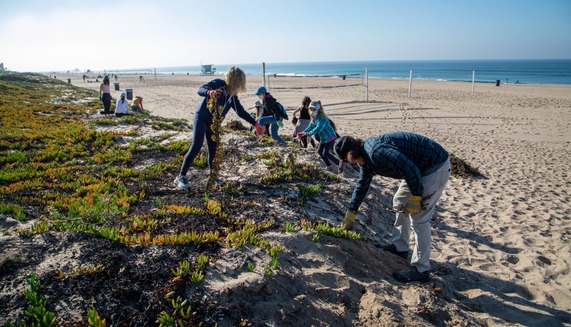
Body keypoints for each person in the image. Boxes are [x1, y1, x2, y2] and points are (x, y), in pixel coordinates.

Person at [333, 132, 451, 283]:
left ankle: (421, 269)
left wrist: (416, 196)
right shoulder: (366, 158)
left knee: (419, 219)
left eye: (346, 161)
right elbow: (362, 184)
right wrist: (351, 212)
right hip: (417, 168)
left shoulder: (377, 152)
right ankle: (400, 247)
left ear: (349, 156)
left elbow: (410, 169)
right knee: (400, 201)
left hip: (434, 167)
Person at [174, 66, 264, 189]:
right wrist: (209, 92)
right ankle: (181, 176)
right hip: (201, 118)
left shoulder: (232, 96)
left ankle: (214, 177)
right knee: (196, 145)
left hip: (214, 124)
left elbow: (241, 112)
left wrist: (255, 123)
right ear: (235, 80)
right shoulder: (218, 84)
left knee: (213, 150)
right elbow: (201, 90)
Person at [298, 101, 339, 172]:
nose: (312, 111)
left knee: (325, 153)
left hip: (330, 136)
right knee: (320, 151)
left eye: (314, 109)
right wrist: (303, 132)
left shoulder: (321, 118)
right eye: (311, 109)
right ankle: (329, 166)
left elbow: (319, 128)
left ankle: (339, 163)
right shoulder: (312, 117)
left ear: (318, 110)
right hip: (323, 138)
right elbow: (310, 126)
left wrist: (309, 133)